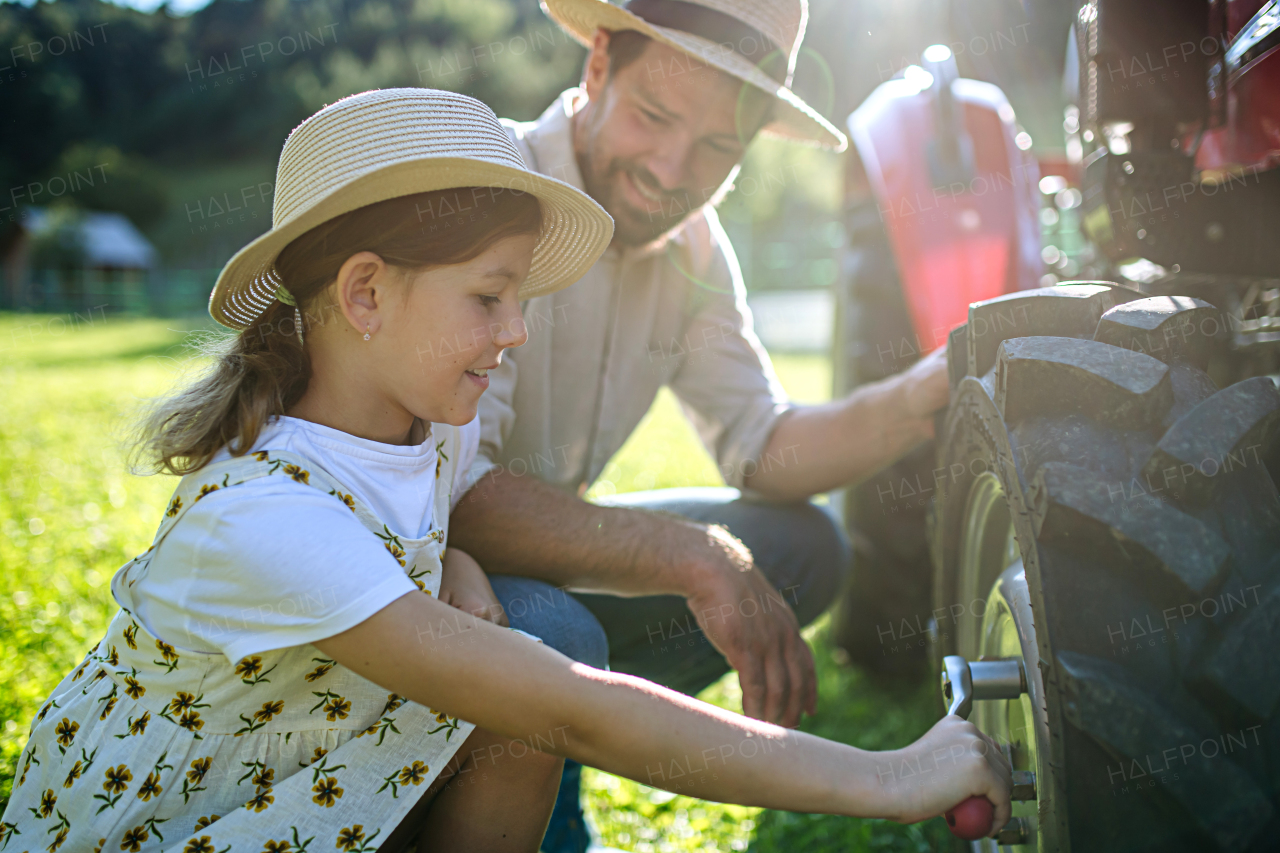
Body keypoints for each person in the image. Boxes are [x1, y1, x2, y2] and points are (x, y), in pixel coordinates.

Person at [0, 88, 1009, 853]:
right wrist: (893, 775)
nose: (517, 330)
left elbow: (432, 521)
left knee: (504, 705)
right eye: (489, 297)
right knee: (527, 694)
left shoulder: (421, 428)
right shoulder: (260, 519)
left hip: (309, 794)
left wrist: (457, 565)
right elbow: (572, 703)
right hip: (174, 828)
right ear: (363, 294)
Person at [445, 1, 952, 846]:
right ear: (599, 63)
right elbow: (454, 502)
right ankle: (508, 773)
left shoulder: (695, 246)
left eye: (720, 146)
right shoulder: (491, 189)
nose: (673, 170)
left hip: (529, 572)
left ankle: (565, 715)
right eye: (654, 116)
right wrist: (692, 555)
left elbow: (760, 442)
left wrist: (917, 396)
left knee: (803, 548)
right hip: (414, 575)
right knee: (550, 624)